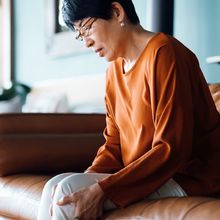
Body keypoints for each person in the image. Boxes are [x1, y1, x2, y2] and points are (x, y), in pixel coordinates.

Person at [37, 0, 220, 219]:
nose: (85, 42)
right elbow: (114, 145)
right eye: (79, 34)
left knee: (69, 189)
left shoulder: (165, 53)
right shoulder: (113, 72)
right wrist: (89, 180)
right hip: (145, 176)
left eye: (86, 28)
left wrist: (103, 189)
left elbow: (171, 148)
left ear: (117, 12)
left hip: (189, 177)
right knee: (56, 187)